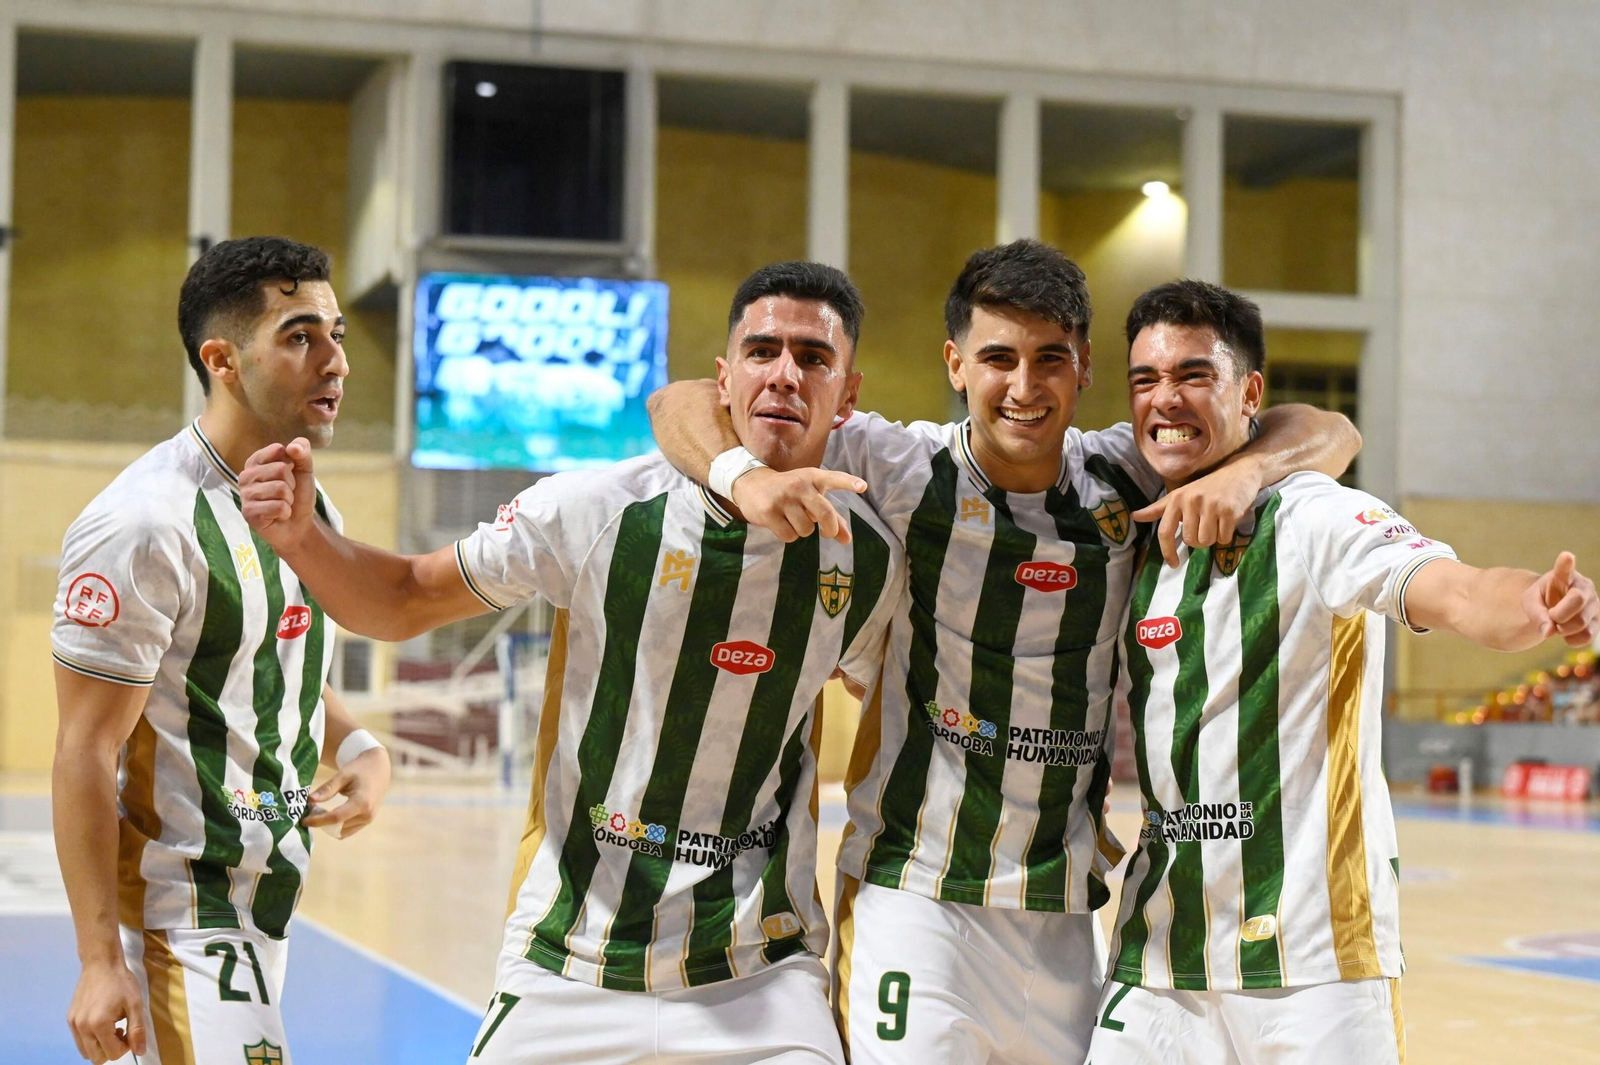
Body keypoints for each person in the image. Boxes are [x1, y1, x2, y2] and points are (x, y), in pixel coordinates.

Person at [646, 240, 1362, 1064]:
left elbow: (1327, 428)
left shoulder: (1123, 476)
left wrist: (1248, 475)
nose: (1024, 388)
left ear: (1083, 366)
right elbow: (683, 400)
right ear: (955, 363)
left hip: (1061, 915)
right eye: (998, 358)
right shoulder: (898, 464)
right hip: (916, 896)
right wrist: (741, 477)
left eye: (1048, 359)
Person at [238, 261, 905, 1064]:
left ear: (850, 392)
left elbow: (900, 720)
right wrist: (304, 538)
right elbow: (405, 596)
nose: (785, 374)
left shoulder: (867, 560)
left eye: (813, 358)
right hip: (571, 963)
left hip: (758, 974)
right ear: (723, 379)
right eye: (762, 351)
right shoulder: (597, 509)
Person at [1089, 278, 1600, 1065]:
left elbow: (1458, 590)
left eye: (1195, 375)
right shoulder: (1131, 516)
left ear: (1249, 391)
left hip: (1313, 964)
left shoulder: (1315, 514)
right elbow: (1325, 423)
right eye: (1146, 380)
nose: (1167, 399)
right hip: (1162, 958)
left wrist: (1534, 601)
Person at [51, 236, 392, 1065]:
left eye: (338, 334)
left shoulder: (313, 511)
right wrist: (98, 961)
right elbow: (84, 748)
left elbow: (270, 671)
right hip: (176, 914)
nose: (335, 361)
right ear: (223, 360)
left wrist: (361, 747)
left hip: (263, 907)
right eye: (301, 336)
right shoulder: (144, 524)